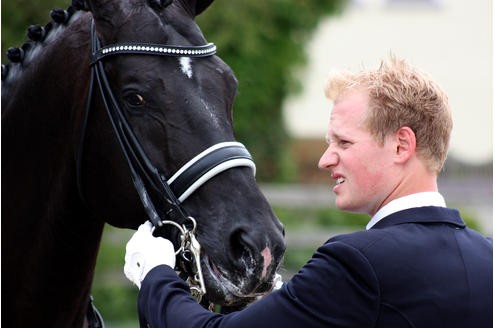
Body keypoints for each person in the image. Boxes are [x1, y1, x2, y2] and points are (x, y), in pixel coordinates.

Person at [124, 55, 493, 327]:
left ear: (401, 146)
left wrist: (155, 274)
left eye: (343, 142)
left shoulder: (358, 263)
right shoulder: (485, 257)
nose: (325, 160)